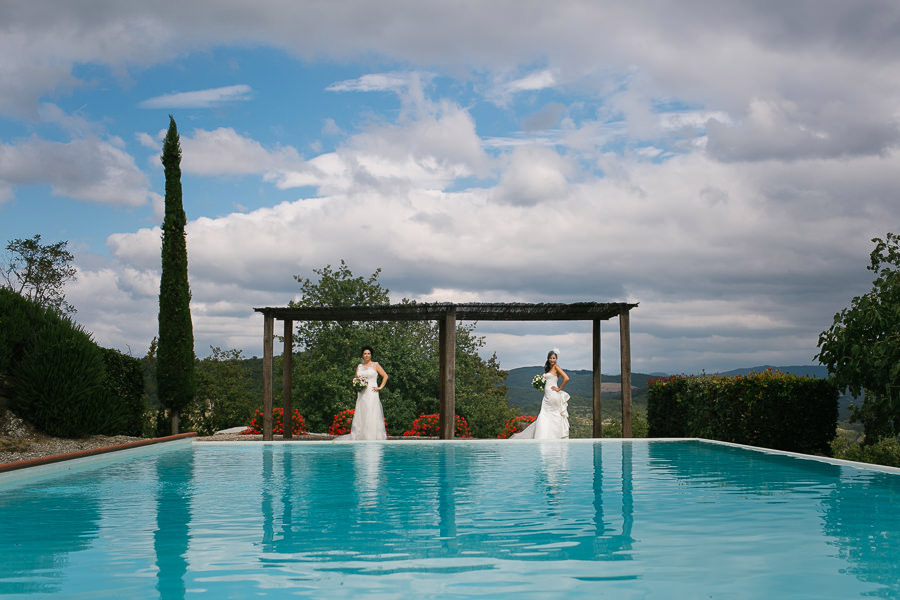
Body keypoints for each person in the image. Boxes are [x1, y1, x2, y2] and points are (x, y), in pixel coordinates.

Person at [511, 349, 570, 439]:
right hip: (547, 395)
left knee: (551, 414)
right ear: (548, 359)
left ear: (556, 359)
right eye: (550, 358)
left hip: (553, 395)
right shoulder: (548, 368)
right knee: (546, 415)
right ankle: (546, 436)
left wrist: (559, 388)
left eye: (554, 358)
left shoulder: (556, 367)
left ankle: (553, 436)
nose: (552, 360)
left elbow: (566, 378)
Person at [337, 346, 388, 440]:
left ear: (371, 355)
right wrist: (357, 385)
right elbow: (355, 379)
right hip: (361, 393)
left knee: (371, 412)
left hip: (372, 392)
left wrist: (380, 387)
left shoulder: (375, 365)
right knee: (362, 413)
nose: (367, 355)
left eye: (368, 353)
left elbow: (385, 376)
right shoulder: (359, 366)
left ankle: (371, 436)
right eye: (365, 353)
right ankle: (360, 436)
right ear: (362, 355)